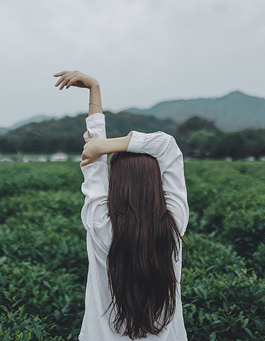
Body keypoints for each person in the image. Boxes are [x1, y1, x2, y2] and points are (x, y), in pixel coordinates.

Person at [54, 71, 189, 340]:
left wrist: (94, 90)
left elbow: (93, 168)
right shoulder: (174, 224)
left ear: (116, 183)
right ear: (156, 184)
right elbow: (167, 146)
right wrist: (107, 145)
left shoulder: (100, 223)